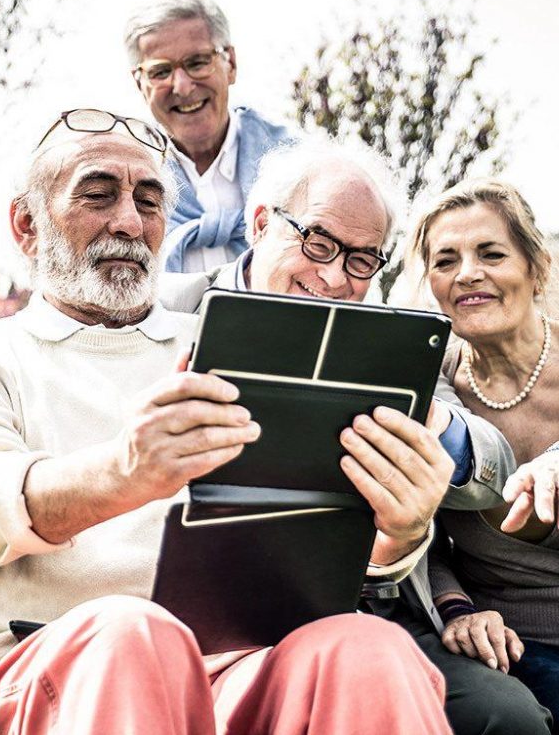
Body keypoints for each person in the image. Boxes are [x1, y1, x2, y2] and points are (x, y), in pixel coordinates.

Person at [0, 110, 454, 734]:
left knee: (368, 650)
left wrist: (400, 531)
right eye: (99, 194)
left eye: (149, 200)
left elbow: (321, 536)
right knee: (135, 634)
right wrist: (122, 473)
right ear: (28, 225)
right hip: (52, 667)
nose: (130, 223)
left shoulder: (236, 348)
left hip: (236, 668)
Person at [162, 143, 552, 733]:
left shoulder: (387, 338)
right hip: (209, 610)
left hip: (371, 601)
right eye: (317, 243)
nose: (333, 277)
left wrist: (424, 428)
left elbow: (490, 457)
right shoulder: (165, 315)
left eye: (362, 260)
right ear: (262, 222)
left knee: (509, 716)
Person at [411, 178, 559, 731]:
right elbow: (417, 532)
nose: (467, 272)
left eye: (491, 254)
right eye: (446, 260)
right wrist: (458, 608)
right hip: (508, 646)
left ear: (536, 267)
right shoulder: (429, 387)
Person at [124, 0, 296, 273]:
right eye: (160, 71)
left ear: (231, 63)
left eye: (197, 62)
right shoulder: (124, 181)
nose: (181, 86)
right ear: (139, 83)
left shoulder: (298, 166)